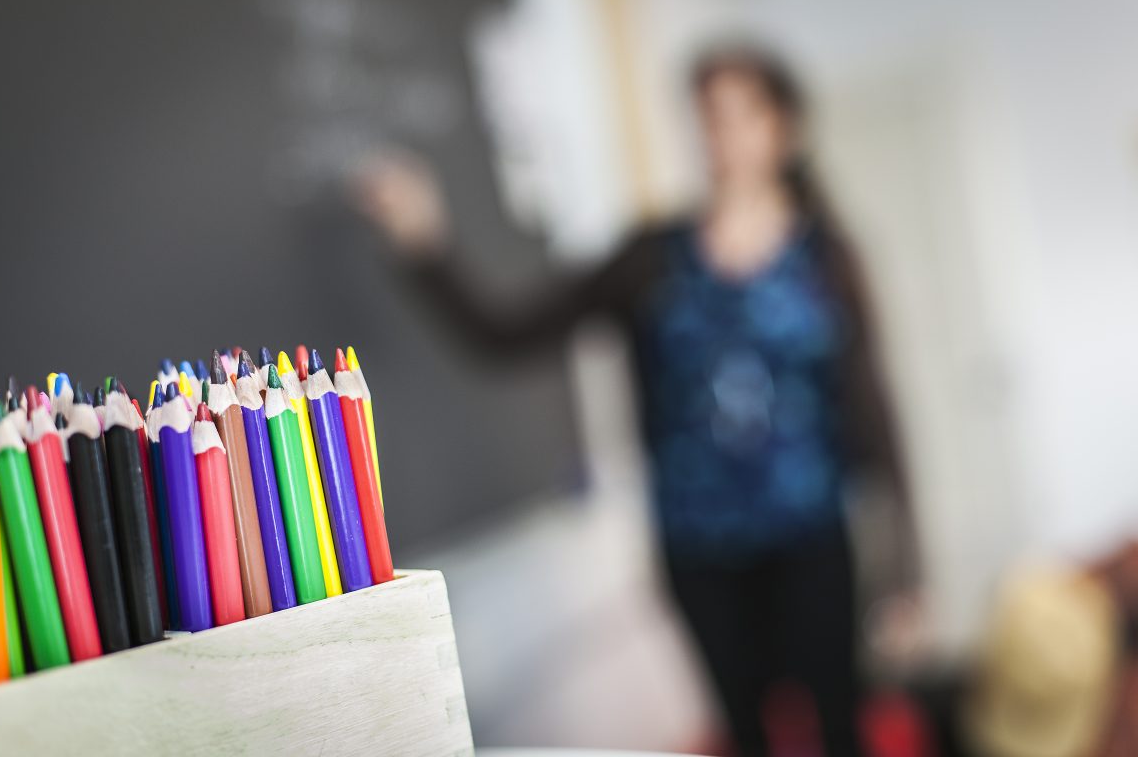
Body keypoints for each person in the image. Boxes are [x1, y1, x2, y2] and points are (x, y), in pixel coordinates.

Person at [354, 44, 918, 757]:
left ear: (784, 128)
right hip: (700, 549)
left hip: (812, 540)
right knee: (744, 731)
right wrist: (424, 241)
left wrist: (907, 569)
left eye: (744, 115)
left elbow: (878, 410)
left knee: (838, 726)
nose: (724, 136)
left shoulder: (828, 258)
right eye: (709, 117)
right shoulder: (652, 256)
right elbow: (503, 334)